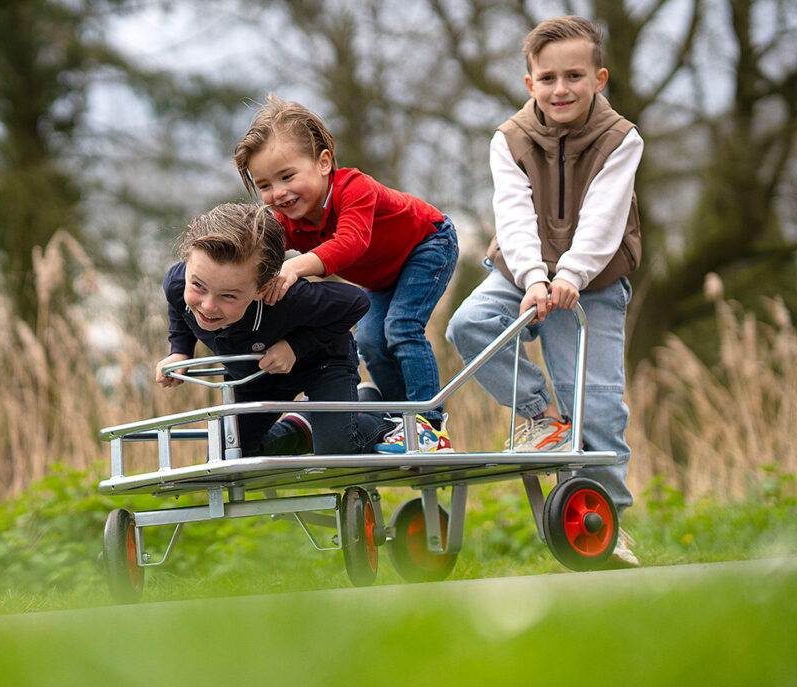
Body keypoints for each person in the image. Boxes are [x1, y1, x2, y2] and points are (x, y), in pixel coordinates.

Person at [444, 16, 643, 566]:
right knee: (470, 324)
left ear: (599, 78)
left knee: (597, 405)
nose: (562, 89)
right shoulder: (509, 139)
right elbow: (512, 213)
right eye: (548, 78)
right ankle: (539, 418)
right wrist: (533, 278)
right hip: (519, 272)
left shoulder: (621, 139)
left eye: (575, 76)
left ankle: (606, 520)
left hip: (592, 284)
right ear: (530, 83)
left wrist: (570, 277)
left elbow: (604, 222)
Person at [234, 95, 459, 454]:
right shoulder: (287, 221)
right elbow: (259, 255)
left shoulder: (353, 189)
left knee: (401, 327)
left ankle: (429, 425)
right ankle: (401, 421)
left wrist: (294, 266)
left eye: (287, 176)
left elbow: (350, 244)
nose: (278, 193)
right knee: (370, 340)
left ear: (324, 162)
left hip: (427, 244)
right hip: (381, 278)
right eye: (264, 185)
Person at [157, 202, 391, 457]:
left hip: (320, 363)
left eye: (228, 296)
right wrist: (180, 351)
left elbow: (356, 301)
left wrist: (295, 347)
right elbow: (180, 309)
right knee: (230, 455)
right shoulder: (177, 284)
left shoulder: (286, 297)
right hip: (255, 374)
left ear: (262, 288)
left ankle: (379, 413)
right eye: (199, 286)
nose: (208, 306)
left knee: (337, 449)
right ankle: (304, 427)